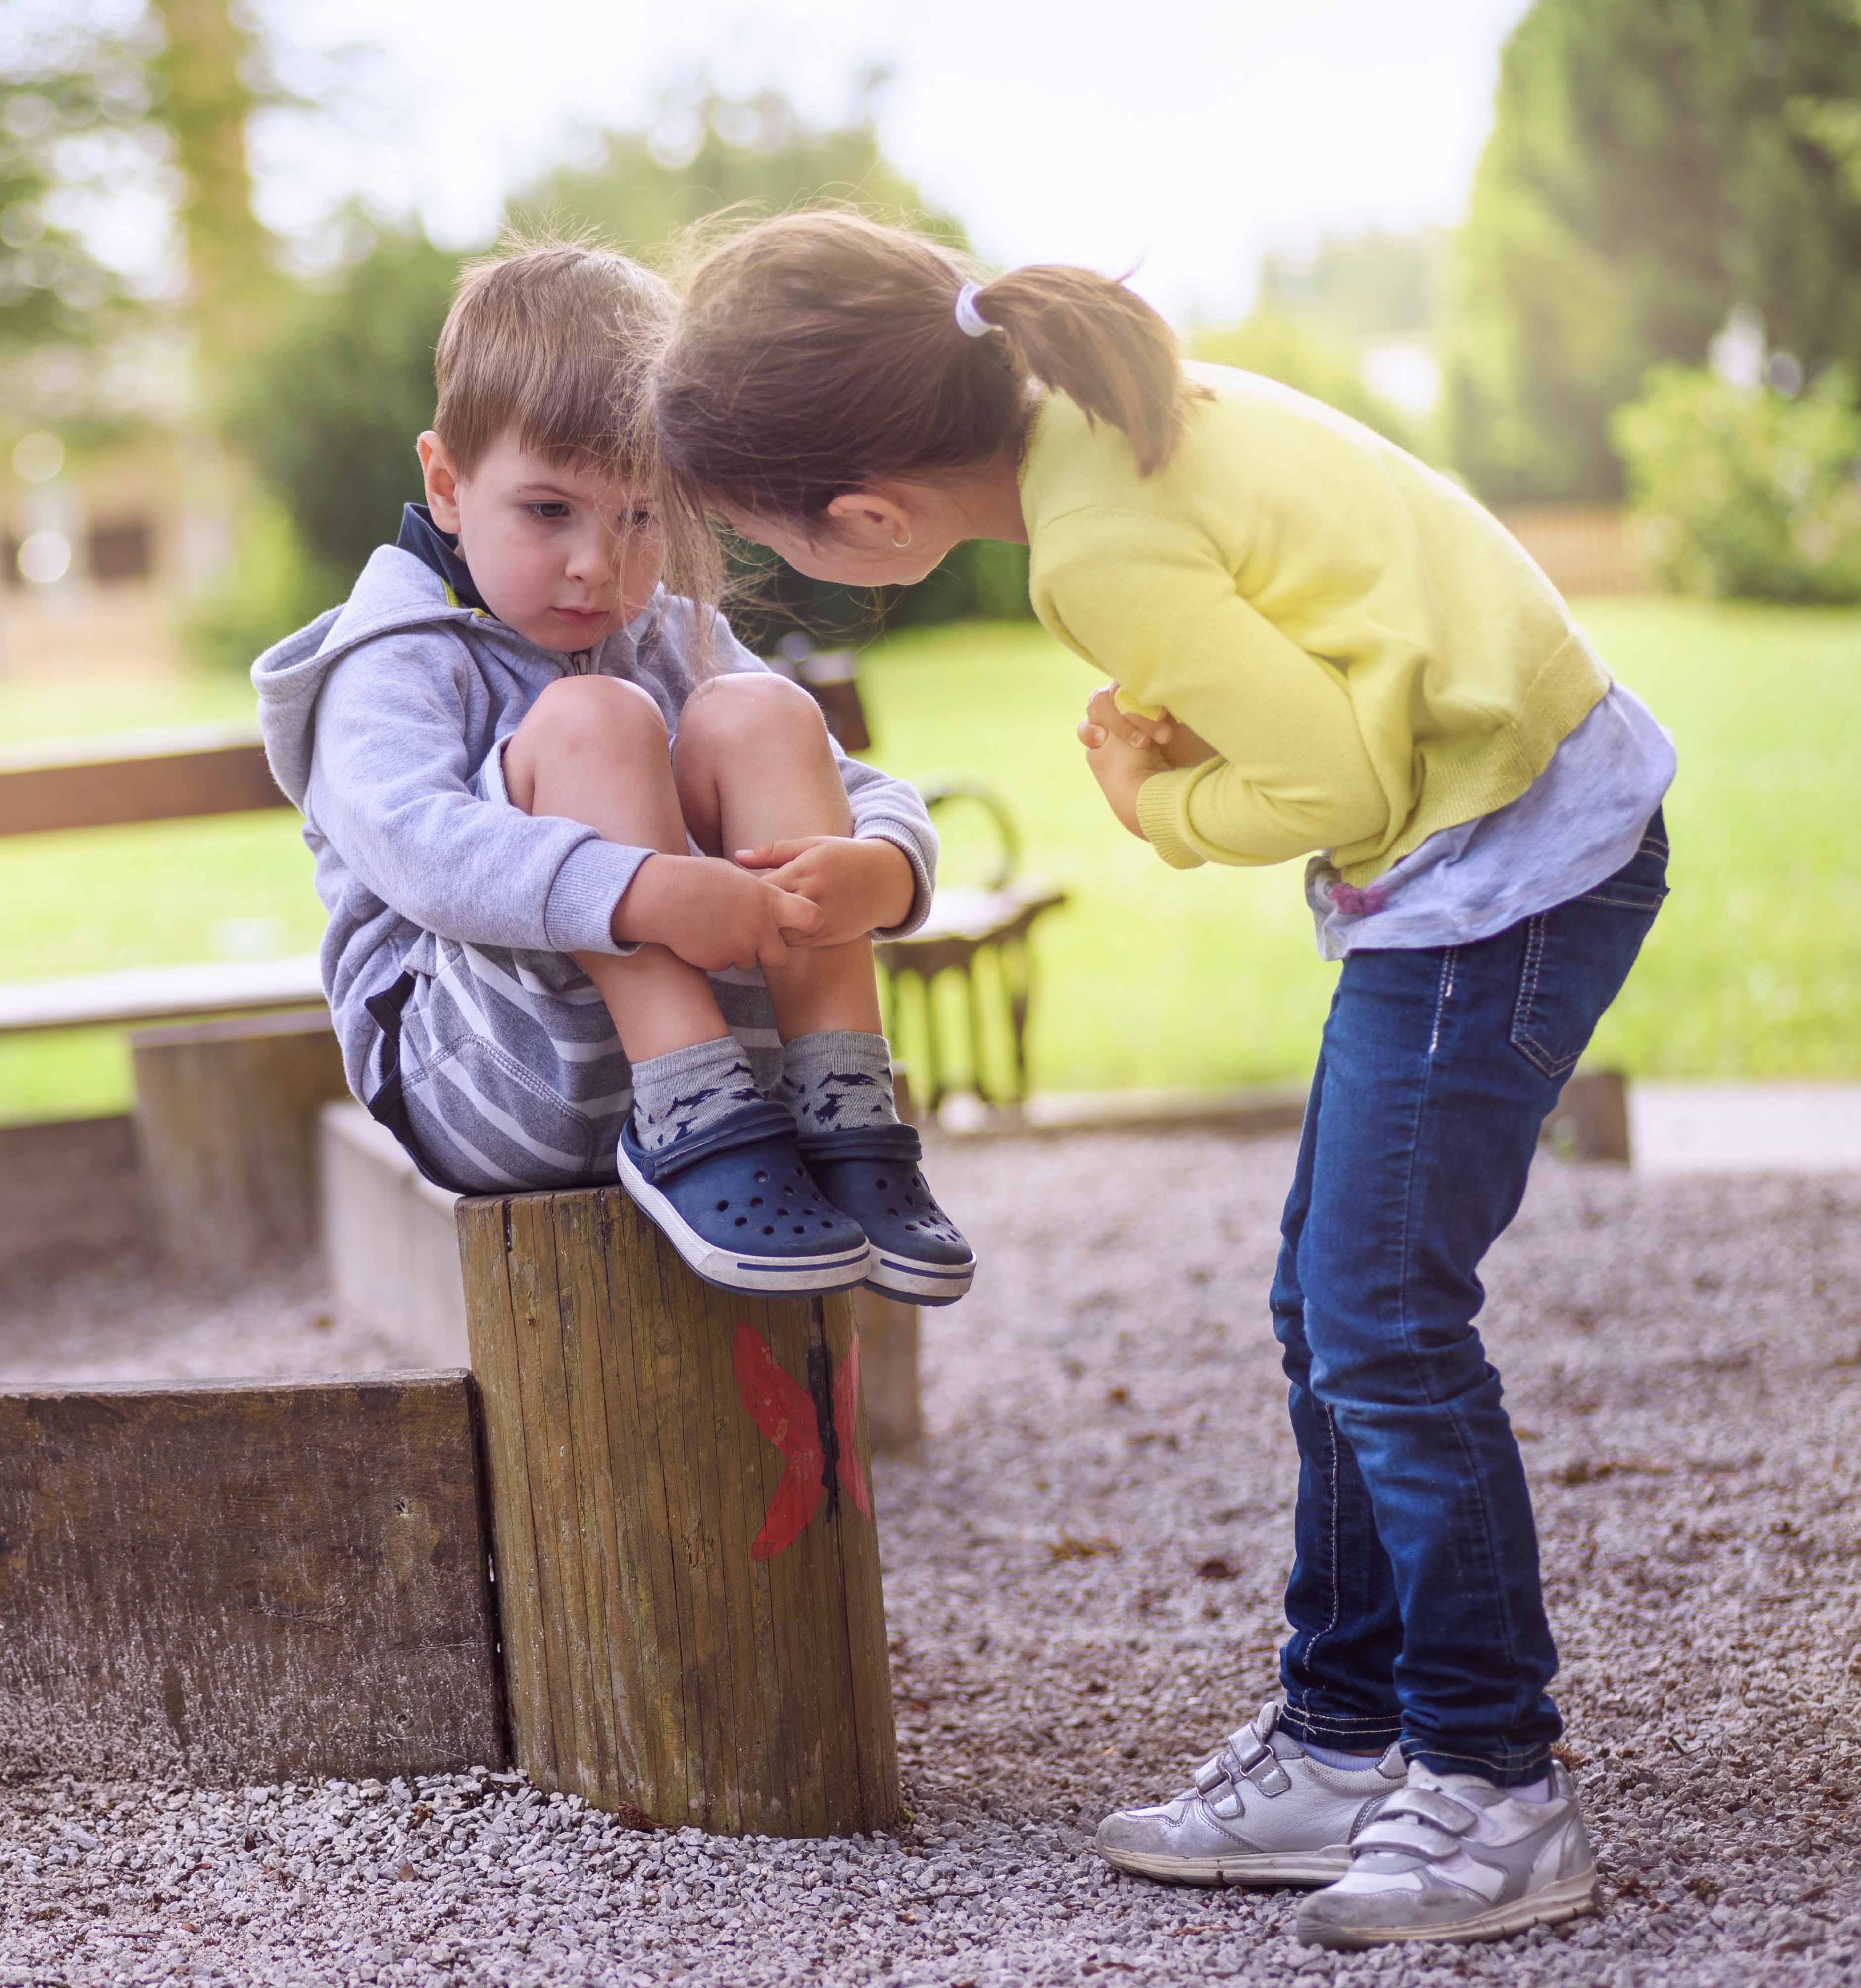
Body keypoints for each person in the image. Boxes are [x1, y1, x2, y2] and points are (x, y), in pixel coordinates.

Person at [647, 210, 1671, 1950]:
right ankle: (1346, 1735)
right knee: (1328, 1304)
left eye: (768, 540)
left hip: (1498, 879)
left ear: (872, 514)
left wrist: (1155, 807)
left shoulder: (1088, 545)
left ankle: (1496, 1780)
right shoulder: (1110, 402)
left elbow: (1340, 781)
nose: (771, 569)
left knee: (1379, 1321)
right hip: (1515, 821)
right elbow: (1341, 637)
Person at [253, 239, 974, 1305]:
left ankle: (844, 1103)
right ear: (447, 484)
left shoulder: (673, 631)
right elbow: (416, 849)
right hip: (488, 1076)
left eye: (640, 516)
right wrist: (638, 890)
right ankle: (692, 1113)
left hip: (750, 1092)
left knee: (760, 709)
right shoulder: (391, 659)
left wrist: (885, 865)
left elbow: (841, 777)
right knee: (594, 720)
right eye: (549, 512)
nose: (598, 563)